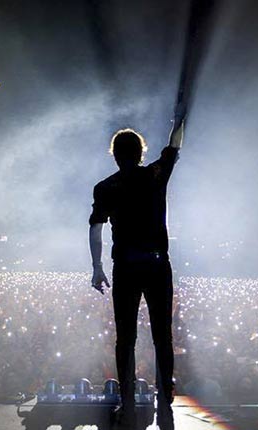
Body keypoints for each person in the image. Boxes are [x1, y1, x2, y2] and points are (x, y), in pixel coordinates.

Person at [89, 115, 184, 430]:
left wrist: (97, 267)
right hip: (157, 265)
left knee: (125, 339)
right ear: (141, 152)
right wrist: (179, 120)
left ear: (114, 154)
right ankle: (165, 400)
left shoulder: (106, 187)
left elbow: (96, 228)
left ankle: (127, 403)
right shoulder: (155, 175)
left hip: (126, 268)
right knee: (162, 336)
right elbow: (174, 146)